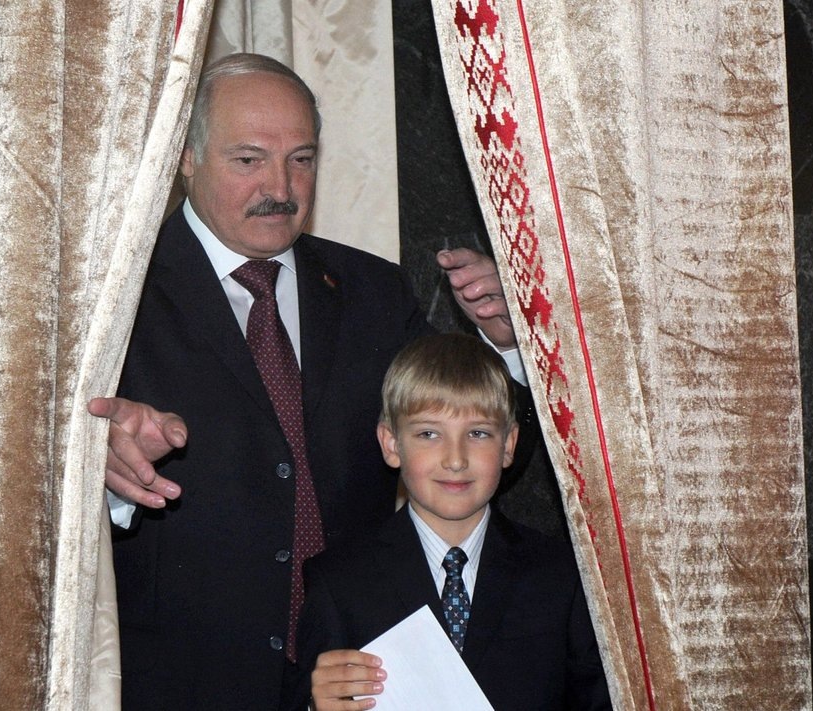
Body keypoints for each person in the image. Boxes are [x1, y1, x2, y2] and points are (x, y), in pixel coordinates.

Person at [86, 53, 529, 710]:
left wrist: (508, 345)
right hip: (181, 680)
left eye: (301, 159)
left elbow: (480, 444)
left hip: (362, 674)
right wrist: (101, 469)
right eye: (249, 160)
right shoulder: (109, 297)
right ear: (185, 156)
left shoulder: (373, 290)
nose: (281, 186)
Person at [285, 333, 610, 711]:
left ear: (508, 445)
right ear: (391, 444)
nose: (455, 459)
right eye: (429, 434)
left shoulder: (564, 575)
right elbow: (314, 693)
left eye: (478, 433)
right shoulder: (339, 581)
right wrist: (315, 705)